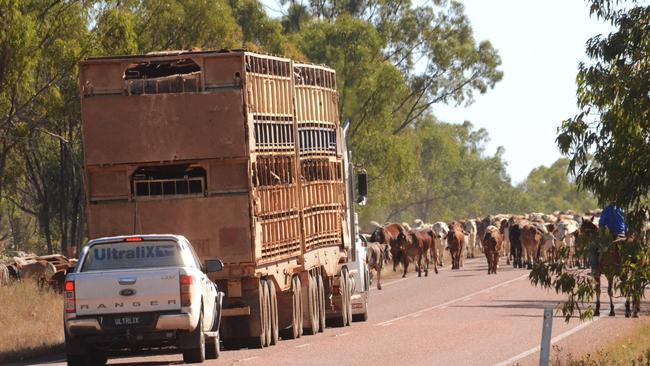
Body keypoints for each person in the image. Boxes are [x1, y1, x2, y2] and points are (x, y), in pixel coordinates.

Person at [590, 203, 627, 272]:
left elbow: (601, 223)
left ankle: (595, 269)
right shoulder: (622, 209)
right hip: (622, 235)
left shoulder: (607, 210)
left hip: (610, 235)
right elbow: (626, 224)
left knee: (592, 248)